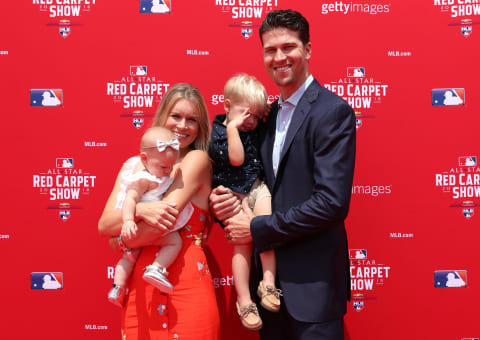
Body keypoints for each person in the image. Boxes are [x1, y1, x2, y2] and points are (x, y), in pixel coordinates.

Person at [209, 9, 356, 340]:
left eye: (288, 47)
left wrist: (258, 227)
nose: (279, 57)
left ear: (307, 50)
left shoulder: (332, 112)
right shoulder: (264, 117)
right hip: (266, 293)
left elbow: (331, 203)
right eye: (270, 50)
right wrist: (223, 204)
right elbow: (247, 179)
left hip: (313, 290)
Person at [98, 83, 220, 340]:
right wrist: (141, 208)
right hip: (142, 289)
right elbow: (104, 225)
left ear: (200, 127)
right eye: (176, 116)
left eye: (192, 120)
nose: (182, 126)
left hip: (186, 283)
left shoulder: (195, 161)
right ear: (163, 116)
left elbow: (161, 223)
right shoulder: (134, 166)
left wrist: (119, 239)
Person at [208, 74, 280, 331]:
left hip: (257, 187)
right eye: (245, 113)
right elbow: (236, 159)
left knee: (265, 227)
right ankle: (244, 300)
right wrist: (232, 128)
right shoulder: (217, 132)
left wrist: (266, 110)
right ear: (227, 105)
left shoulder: (254, 125)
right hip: (233, 196)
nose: (250, 120)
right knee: (242, 243)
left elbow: (268, 117)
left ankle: (269, 284)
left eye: (255, 115)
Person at [107, 126, 195, 307]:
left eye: (170, 166)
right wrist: (129, 220)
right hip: (140, 225)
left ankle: (155, 269)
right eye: (163, 166)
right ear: (144, 160)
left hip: (153, 227)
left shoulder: (164, 175)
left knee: (166, 244)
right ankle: (118, 287)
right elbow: (129, 199)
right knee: (130, 257)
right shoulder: (143, 179)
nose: (167, 171)